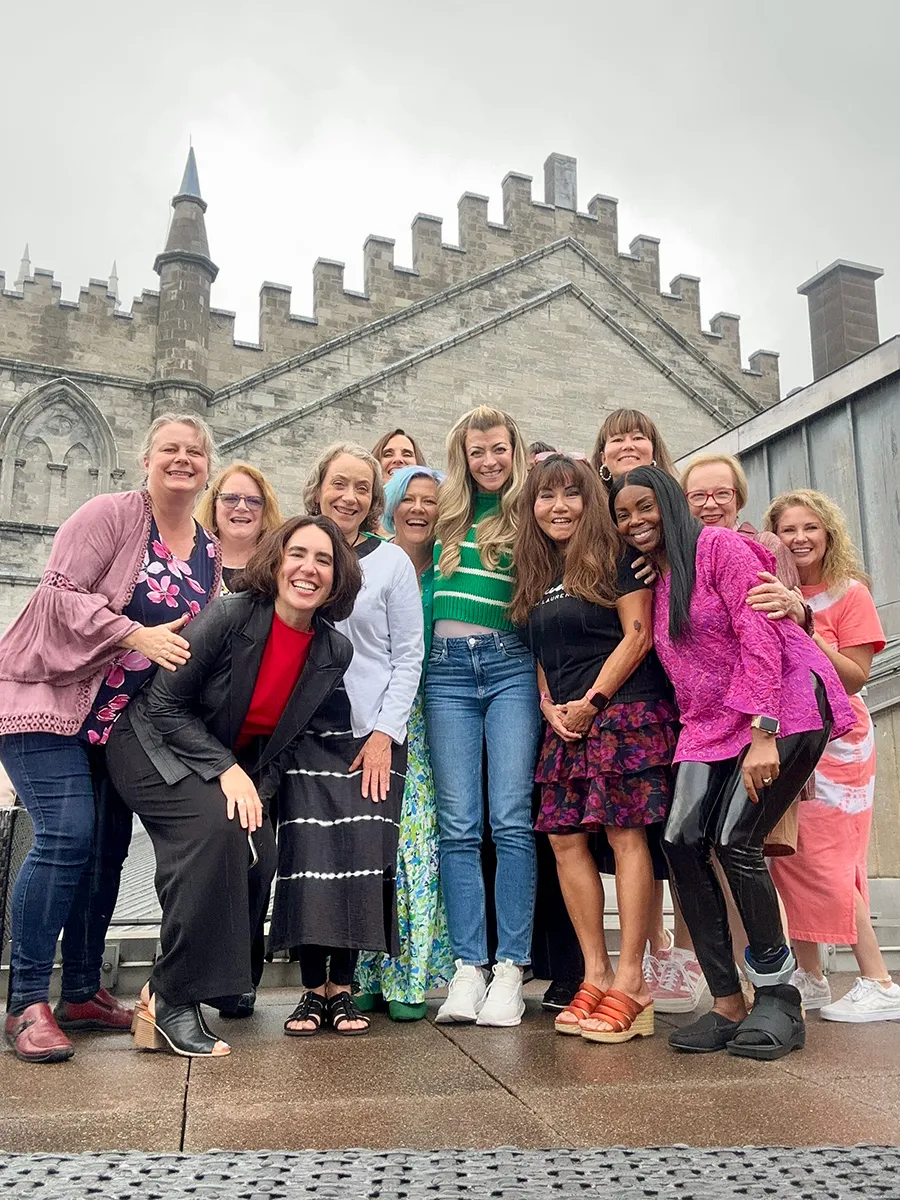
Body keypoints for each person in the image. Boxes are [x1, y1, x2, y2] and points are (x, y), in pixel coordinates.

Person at [611, 467, 853, 1058]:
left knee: (735, 839)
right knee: (681, 839)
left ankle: (779, 998)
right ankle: (726, 1002)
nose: (636, 521)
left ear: (670, 503)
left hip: (784, 705)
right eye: (624, 514)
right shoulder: (661, 575)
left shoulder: (719, 546)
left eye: (646, 506)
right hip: (708, 721)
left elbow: (761, 634)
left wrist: (764, 733)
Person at [0, 414, 220, 1064]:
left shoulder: (207, 551)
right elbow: (56, 597)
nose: (182, 459)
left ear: (207, 466)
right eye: (169, 449)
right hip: (44, 699)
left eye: (194, 451)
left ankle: (82, 992)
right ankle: (26, 1001)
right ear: (146, 459)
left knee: (107, 853)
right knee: (66, 835)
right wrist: (133, 634)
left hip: (117, 725)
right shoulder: (109, 515)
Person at [106, 515, 360, 1056]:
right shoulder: (230, 615)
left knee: (259, 851)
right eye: (298, 554)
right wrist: (226, 771)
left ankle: (225, 981)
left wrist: (257, 795)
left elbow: (284, 741)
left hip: (227, 764)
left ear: (338, 579)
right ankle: (170, 997)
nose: (309, 569)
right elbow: (164, 705)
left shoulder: (333, 651)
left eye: (324, 560)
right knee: (217, 832)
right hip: (151, 746)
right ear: (277, 560)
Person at [512, 455, 677, 1042]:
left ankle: (633, 981)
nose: (558, 507)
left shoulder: (617, 558)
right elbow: (542, 650)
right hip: (566, 722)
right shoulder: (536, 571)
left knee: (626, 835)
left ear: (591, 501)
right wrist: (547, 703)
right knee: (563, 840)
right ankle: (596, 973)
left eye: (571, 494)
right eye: (546, 496)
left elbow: (639, 635)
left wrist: (593, 700)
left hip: (621, 711)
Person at [271, 443, 424, 1036]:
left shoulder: (391, 563)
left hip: (368, 733)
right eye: (340, 483)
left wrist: (386, 733)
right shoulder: (294, 549)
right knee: (309, 858)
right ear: (318, 487)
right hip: (304, 729)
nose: (349, 496)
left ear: (374, 499)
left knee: (362, 859)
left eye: (363, 487)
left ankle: (344, 990)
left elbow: (407, 656)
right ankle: (312, 991)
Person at [758, 490, 900, 1022]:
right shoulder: (770, 587)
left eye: (810, 528)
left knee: (827, 858)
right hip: (791, 735)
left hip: (839, 741)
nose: (799, 538)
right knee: (789, 854)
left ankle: (878, 980)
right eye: (788, 529)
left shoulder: (849, 593)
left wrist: (805, 627)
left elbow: (856, 677)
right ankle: (810, 974)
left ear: (829, 534)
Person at [425, 406, 540, 1028]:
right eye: (477, 452)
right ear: (463, 457)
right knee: (458, 824)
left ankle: (511, 968)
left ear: (514, 451)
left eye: (499, 449)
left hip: (509, 665)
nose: (489, 461)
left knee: (510, 818)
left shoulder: (527, 513)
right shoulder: (445, 513)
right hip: (445, 673)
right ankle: (468, 966)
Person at [592, 408, 705, 1014]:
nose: (627, 445)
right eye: (616, 439)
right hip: (645, 697)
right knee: (642, 831)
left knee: (683, 833)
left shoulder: (687, 529)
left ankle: (689, 956)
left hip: (683, 701)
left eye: (638, 436)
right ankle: (657, 948)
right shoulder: (606, 529)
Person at [355, 465, 454, 1020]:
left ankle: (407, 976)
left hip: (430, 714)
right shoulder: (370, 561)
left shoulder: (452, 564)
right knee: (369, 840)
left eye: (430, 500)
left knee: (416, 842)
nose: (418, 509)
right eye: (408, 499)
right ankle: (363, 969)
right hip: (374, 713)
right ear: (390, 505)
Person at [195, 461, 285, 592]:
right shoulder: (191, 561)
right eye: (230, 499)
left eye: (253, 501)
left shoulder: (279, 568)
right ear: (213, 506)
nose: (241, 507)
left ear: (266, 511)